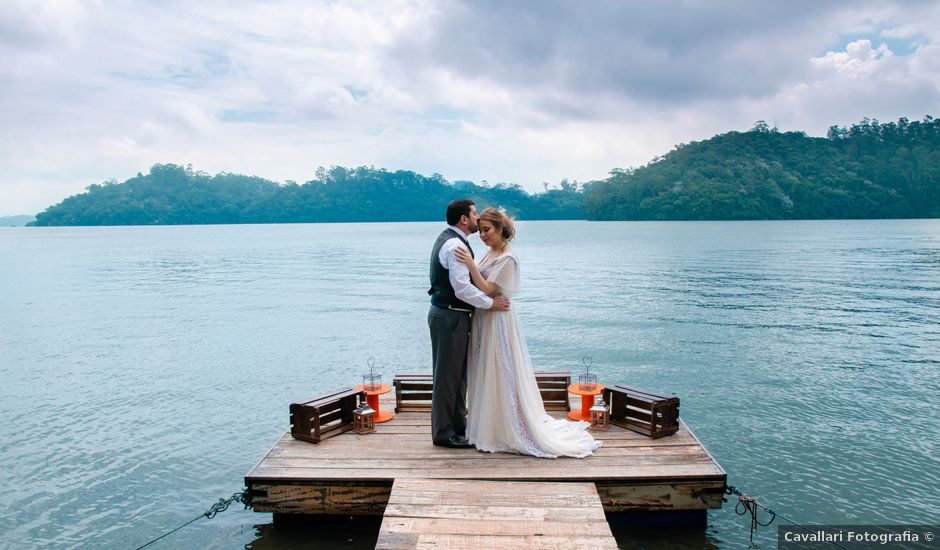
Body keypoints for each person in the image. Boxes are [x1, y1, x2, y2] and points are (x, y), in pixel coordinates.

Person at [454, 208, 601, 458]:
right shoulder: (490, 254)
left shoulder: (508, 259)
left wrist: (469, 264)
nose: (483, 235)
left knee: (501, 370)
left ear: (501, 229)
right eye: (480, 231)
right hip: (484, 317)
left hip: (497, 320)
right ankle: (490, 422)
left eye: (487, 230)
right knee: (486, 370)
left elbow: (489, 289)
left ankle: (510, 425)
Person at [427, 199, 511, 448]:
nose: (478, 219)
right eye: (475, 214)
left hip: (453, 314)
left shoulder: (453, 241)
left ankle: (457, 426)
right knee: (447, 376)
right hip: (450, 315)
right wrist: (489, 303)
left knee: (458, 376)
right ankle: (443, 434)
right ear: (464, 219)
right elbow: (462, 288)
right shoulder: (454, 245)